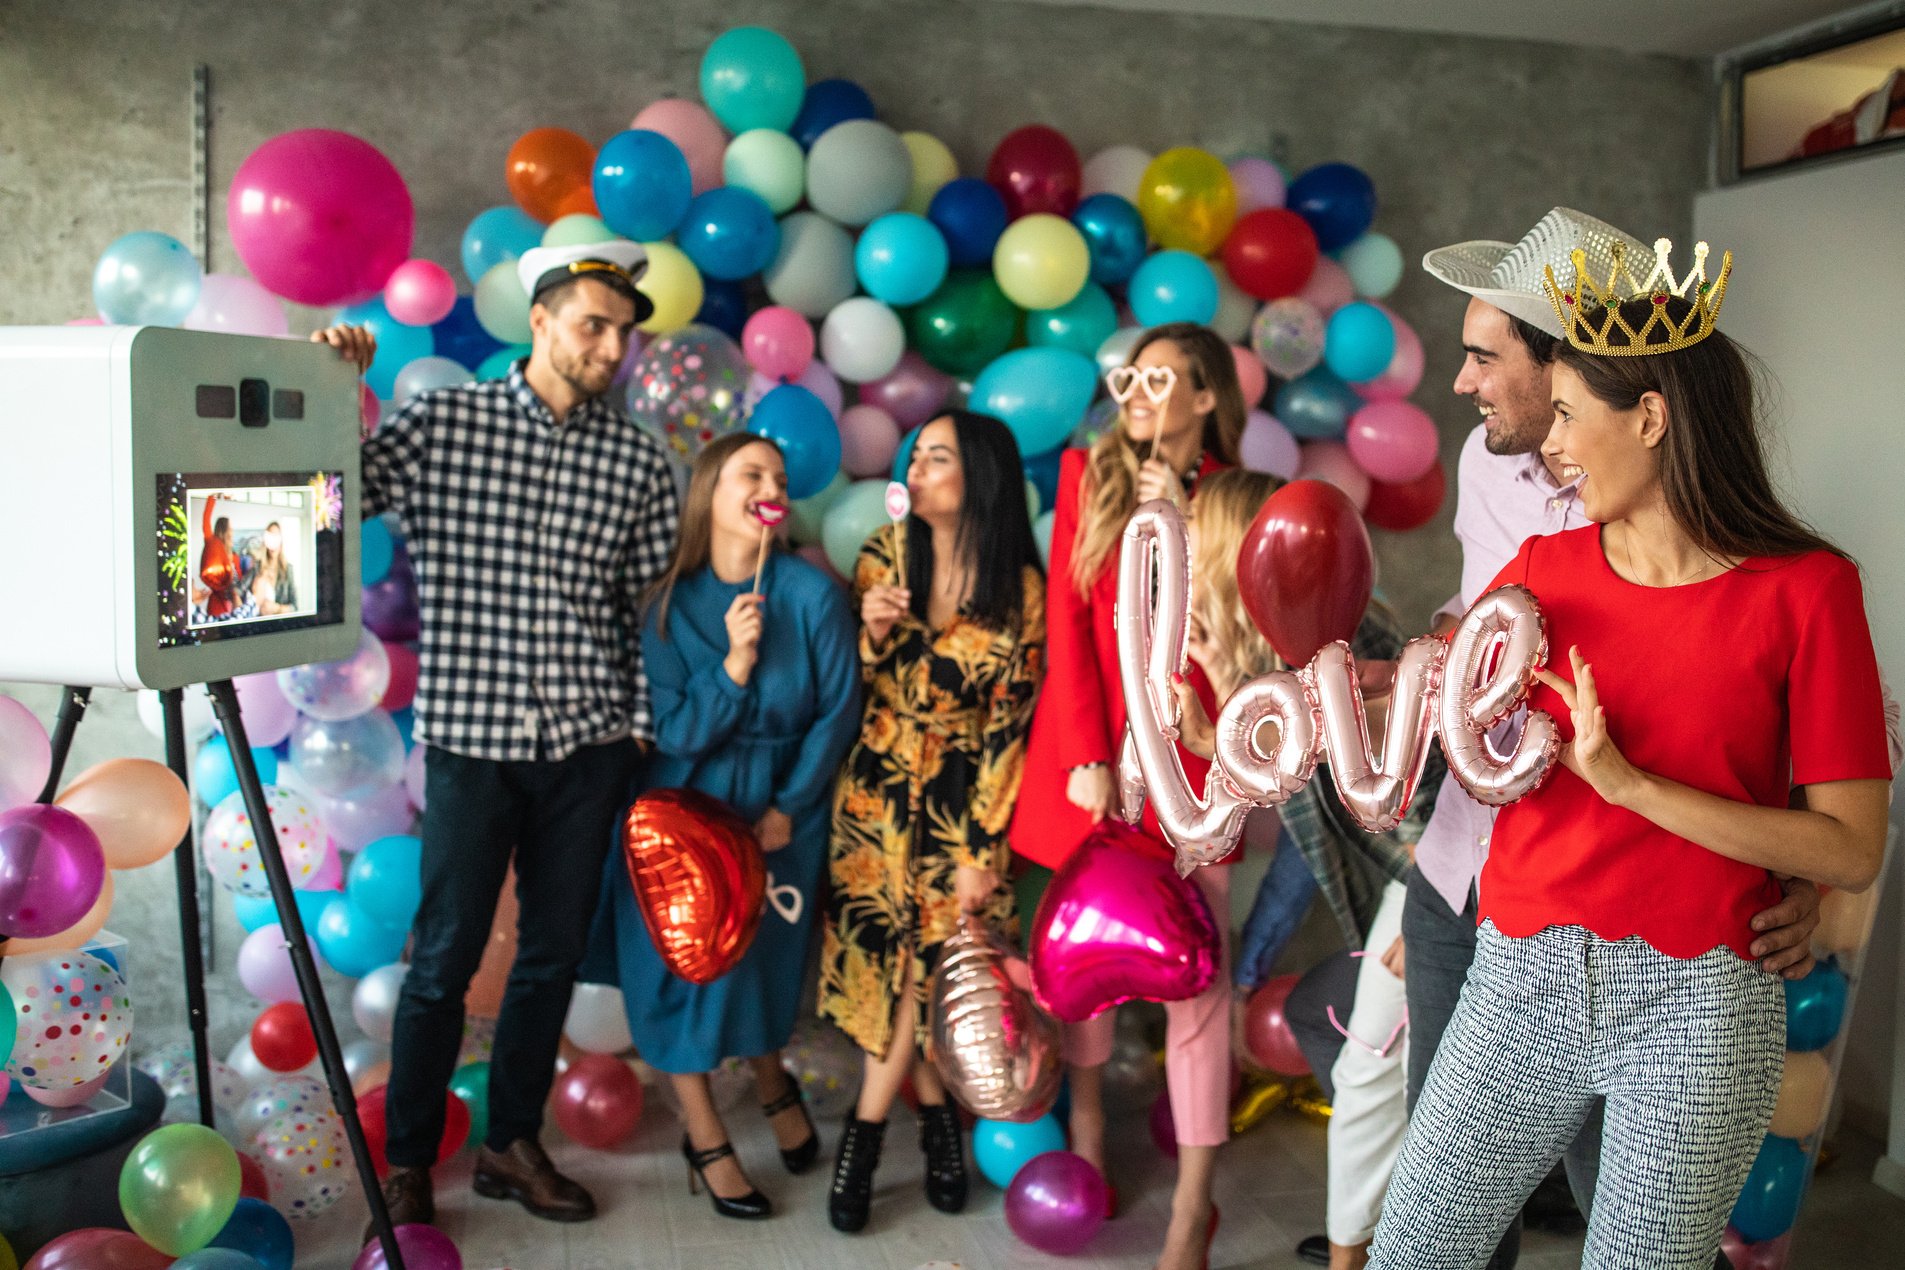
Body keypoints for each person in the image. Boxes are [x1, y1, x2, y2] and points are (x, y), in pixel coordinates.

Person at [1368, 241, 1891, 1266]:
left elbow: (1852, 847)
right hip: (1520, 978)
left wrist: (1631, 785)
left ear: (1650, 418)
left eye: (1568, 417)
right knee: (1415, 1253)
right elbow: (1455, 707)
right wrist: (1366, 697)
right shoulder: (1538, 572)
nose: (1552, 447)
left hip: (1701, 1005)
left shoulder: (1809, 589)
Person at [311, 240, 679, 1238]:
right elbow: (330, 503)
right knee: (443, 959)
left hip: (588, 745)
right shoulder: (443, 422)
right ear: (543, 319)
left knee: (551, 955)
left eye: (624, 330)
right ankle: (410, 1164)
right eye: (594, 323)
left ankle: (514, 1144)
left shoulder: (639, 458)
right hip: (474, 740)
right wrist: (330, 390)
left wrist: (633, 735)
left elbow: (638, 608)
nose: (612, 345)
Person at [1010, 322, 1245, 1270]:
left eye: (1163, 378)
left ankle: (1193, 1208)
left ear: (1202, 398)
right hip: (1092, 767)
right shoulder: (1085, 475)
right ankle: (1091, 1134)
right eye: (1132, 376)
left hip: (1195, 771)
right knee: (1083, 971)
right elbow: (1067, 623)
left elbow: (1238, 639)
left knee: (1201, 985)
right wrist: (1080, 750)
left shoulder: (1232, 496)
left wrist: (1179, 526)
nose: (1140, 392)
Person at [579, 432, 861, 1220]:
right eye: (751, 472)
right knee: (680, 970)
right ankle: (704, 1135)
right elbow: (674, 731)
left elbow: (837, 713)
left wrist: (788, 808)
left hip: (779, 809)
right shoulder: (665, 604)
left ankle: (772, 1080)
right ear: (710, 492)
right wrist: (734, 666)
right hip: (678, 810)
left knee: (761, 965)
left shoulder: (810, 596)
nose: (770, 482)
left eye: (778, 473)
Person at [1170, 470, 1428, 1270]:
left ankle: (1362, 1249)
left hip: (1435, 879)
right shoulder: (1259, 649)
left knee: (1365, 1070)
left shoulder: (1357, 643)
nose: (1180, 537)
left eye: (1195, 525)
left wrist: (1433, 917)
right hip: (1399, 882)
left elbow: (1426, 804)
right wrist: (1218, 733)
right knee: (1329, 1019)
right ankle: (1387, 1211)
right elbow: (1297, 792)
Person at [818, 409, 1044, 1234]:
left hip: (960, 811)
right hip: (875, 802)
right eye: (914, 456)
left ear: (977, 474)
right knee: (888, 980)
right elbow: (866, 683)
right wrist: (871, 636)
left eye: (936, 457)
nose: (915, 468)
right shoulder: (884, 555)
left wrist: (983, 850)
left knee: (935, 980)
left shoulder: (1019, 589)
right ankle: (941, 1130)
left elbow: (1005, 729)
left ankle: (863, 1141)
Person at [249, 520, 297, 615]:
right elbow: (238, 590)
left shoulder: (288, 569)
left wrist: (277, 608)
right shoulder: (257, 567)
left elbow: (295, 607)